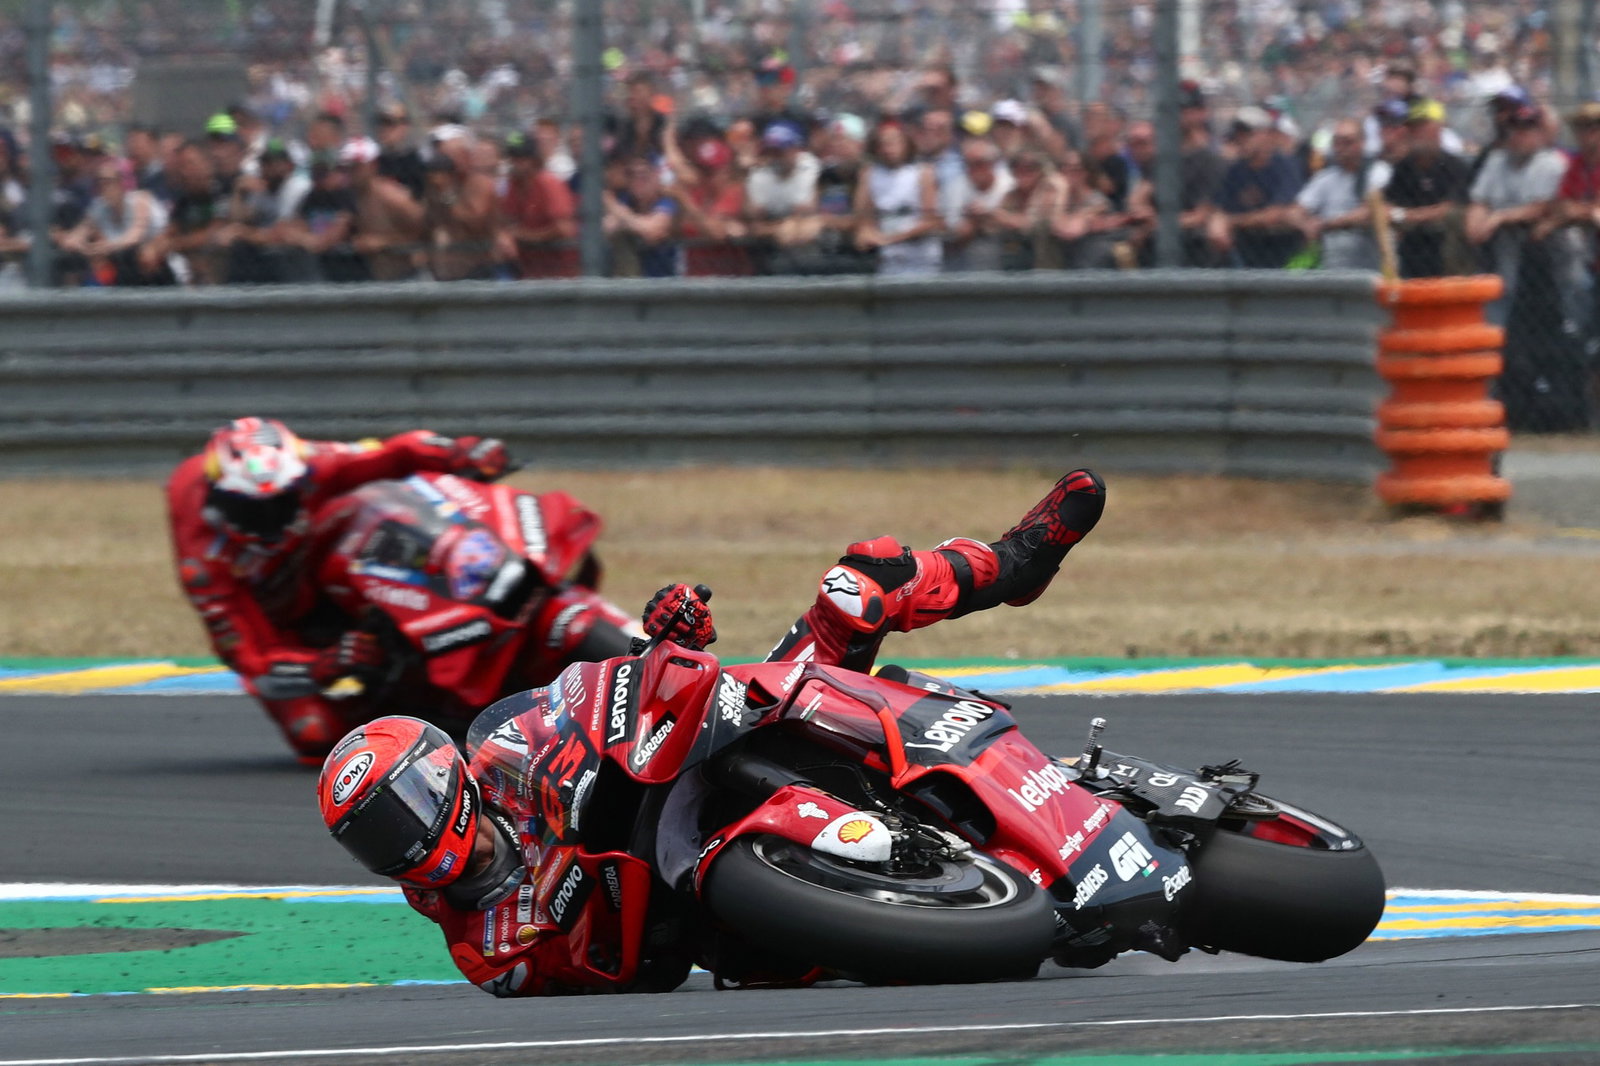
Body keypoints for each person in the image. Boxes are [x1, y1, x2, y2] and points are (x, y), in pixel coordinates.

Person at [314, 468, 1105, 995]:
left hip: (704, 753)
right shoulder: (478, 947)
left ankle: (1017, 559)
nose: (405, 840)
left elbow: (586, 703)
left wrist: (664, 646)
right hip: (729, 925)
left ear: (439, 773)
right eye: (377, 837)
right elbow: (619, 972)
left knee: (858, 584)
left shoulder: (501, 754)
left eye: (402, 808)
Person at [167, 418, 513, 762]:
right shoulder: (202, 562)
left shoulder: (316, 462)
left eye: (282, 502)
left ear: (300, 482)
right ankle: (409, 715)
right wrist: (323, 664)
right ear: (218, 495)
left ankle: (469, 596)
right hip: (277, 626)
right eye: (248, 509)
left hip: (320, 569)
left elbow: (393, 451)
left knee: (369, 513)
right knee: (315, 733)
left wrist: (459, 451)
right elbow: (252, 660)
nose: (268, 521)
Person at [1383, 98, 1472, 279]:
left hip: (1447, 257)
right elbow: (1387, 207)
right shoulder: (1403, 168)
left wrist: (1405, 216)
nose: (1416, 133)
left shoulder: (1454, 166)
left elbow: (1449, 209)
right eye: (1413, 127)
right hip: (1411, 255)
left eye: (1423, 126)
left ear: (1438, 129)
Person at [1291, 119, 1382, 271]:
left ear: (1362, 143)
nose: (1341, 148)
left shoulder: (1377, 171)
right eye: (1337, 142)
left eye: (1347, 142)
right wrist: (1306, 225)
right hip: (1332, 266)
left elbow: (1369, 211)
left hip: (1371, 266)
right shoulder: (1325, 178)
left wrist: (1326, 224)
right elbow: (1294, 211)